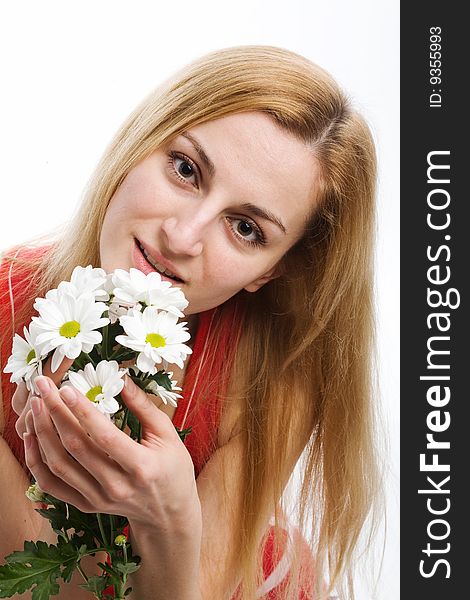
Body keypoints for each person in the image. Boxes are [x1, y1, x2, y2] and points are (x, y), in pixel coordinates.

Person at [0, 45, 381, 599]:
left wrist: (171, 521)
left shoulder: (276, 376)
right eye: (186, 169)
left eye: (246, 228)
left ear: (272, 272)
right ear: (142, 140)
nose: (181, 238)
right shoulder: (7, 299)